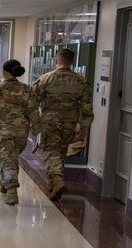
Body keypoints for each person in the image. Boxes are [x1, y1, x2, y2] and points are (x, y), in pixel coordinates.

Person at [32, 48, 94, 201]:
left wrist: (33, 123)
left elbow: (32, 102)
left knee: (50, 152)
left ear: (56, 61)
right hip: (70, 122)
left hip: (49, 121)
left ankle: (57, 180)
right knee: (60, 152)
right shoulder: (81, 81)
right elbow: (86, 106)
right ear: (72, 62)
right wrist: (85, 126)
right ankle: (53, 185)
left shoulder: (45, 79)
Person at [0, 60, 40, 205]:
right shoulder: (27, 89)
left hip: (2, 131)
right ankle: (4, 183)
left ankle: (12, 191)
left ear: (4, 72)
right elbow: (34, 112)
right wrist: (37, 131)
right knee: (11, 157)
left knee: (7, 158)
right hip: (22, 132)